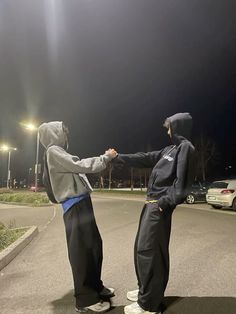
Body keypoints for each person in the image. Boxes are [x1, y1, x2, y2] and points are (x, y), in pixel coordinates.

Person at [113, 113, 195, 314]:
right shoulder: (170, 149)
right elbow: (145, 158)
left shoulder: (186, 149)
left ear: (178, 128)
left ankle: (149, 305)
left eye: (170, 128)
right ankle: (146, 290)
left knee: (151, 254)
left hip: (159, 206)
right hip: (150, 205)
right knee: (142, 250)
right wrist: (119, 157)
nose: (168, 132)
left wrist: (164, 202)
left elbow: (183, 185)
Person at [38, 121, 117, 313]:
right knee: (82, 252)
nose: (66, 136)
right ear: (55, 135)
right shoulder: (53, 151)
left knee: (93, 247)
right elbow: (80, 165)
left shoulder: (57, 151)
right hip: (74, 206)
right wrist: (105, 157)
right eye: (63, 132)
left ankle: (96, 287)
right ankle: (85, 299)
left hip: (82, 203)